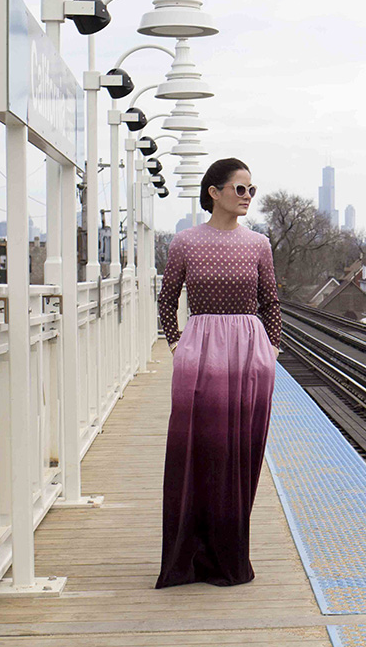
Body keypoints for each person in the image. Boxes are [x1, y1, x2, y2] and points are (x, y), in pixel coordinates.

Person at [155, 158, 281, 588]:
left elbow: (272, 304)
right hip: (200, 350)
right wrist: (176, 345)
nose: (247, 196)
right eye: (239, 188)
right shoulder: (185, 242)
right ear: (214, 191)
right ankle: (189, 557)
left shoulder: (259, 244)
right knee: (197, 451)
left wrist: (271, 351)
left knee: (240, 453)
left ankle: (228, 556)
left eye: (251, 190)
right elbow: (167, 299)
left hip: (250, 354)